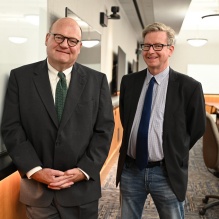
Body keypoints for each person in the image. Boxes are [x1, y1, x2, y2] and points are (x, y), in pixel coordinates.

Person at [1, 17, 114, 219]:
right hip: (38, 192)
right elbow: (12, 128)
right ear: (47, 38)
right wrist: (35, 170)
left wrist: (83, 170)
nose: (64, 44)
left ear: (79, 47)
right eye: (59, 37)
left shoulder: (97, 81)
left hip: (82, 190)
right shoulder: (20, 78)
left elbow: (104, 131)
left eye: (72, 41)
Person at [116, 22, 206, 219]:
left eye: (158, 46)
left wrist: (175, 150)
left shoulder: (189, 87)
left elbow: (198, 127)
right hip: (131, 170)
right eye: (146, 46)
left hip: (166, 173)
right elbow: (126, 118)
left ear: (170, 49)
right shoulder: (129, 82)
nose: (151, 51)